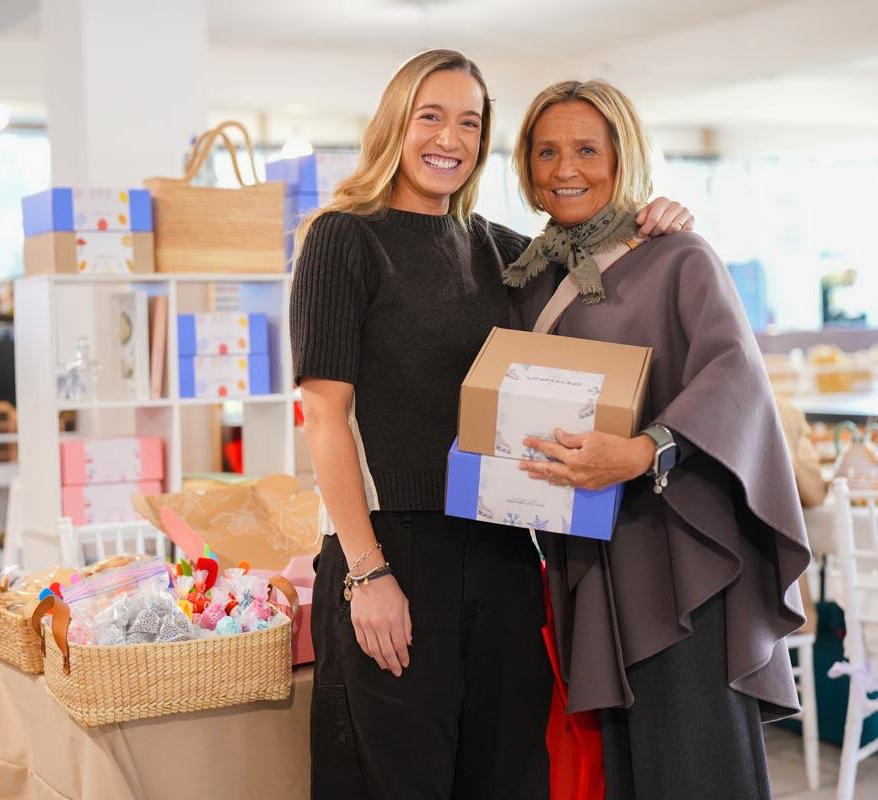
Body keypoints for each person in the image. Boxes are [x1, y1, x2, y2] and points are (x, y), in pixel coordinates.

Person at [290, 51, 692, 799]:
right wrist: (366, 572)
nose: (450, 138)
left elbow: (606, 263)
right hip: (393, 549)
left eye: (469, 122)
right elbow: (324, 418)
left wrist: (655, 219)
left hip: (507, 548)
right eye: (430, 116)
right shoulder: (344, 239)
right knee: (395, 781)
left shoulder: (501, 249)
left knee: (509, 777)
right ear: (396, 126)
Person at [504, 79, 812, 799]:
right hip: (584, 553)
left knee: (692, 761)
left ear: (623, 156)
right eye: (545, 152)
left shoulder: (677, 255)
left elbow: (735, 378)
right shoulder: (530, 274)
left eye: (586, 149)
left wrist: (643, 450)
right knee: (624, 772)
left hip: (675, 551)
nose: (564, 168)